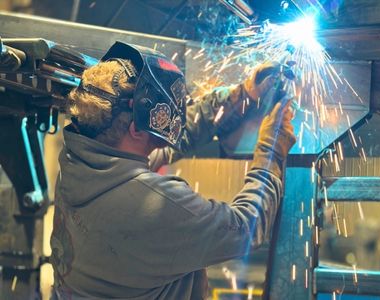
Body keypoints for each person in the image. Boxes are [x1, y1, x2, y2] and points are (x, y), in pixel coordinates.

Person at [50, 41, 296, 299]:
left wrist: (241, 96)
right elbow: (246, 228)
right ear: (135, 129)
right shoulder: (156, 205)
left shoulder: (77, 164)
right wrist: (271, 149)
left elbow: (172, 142)